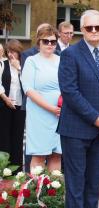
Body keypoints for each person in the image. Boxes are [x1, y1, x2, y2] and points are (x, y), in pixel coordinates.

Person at [57, 10, 99, 208]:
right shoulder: (70, 54)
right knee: (76, 186)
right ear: (81, 30)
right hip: (76, 130)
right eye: (89, 27)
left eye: (98, 27)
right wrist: (95, 118)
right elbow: (70, 92)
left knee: (93, 185)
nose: (94, 31)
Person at [21, 24, 61, 172]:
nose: (50, 44)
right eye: (46, 41)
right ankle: (36, 193)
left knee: (57, 154)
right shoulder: (32, 61)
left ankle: (54, 193)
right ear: (39, 42)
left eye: (53, 41)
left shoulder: (61, 60)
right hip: (40, 114)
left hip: (60, 114)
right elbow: (29, 90)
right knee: (39, 154)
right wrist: (51, 108)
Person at [0, 40, 25, 172]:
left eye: (14, 51)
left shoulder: (24, 66)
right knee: (4, 138)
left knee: (18, 139)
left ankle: (17, 172)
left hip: (20, 107)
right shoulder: (2, 64)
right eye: (9, 51)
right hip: (4, 106)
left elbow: (27, 84)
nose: (11, 54)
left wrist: (19, 68)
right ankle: (4, 171)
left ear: (19, 52)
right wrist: (5, 98)